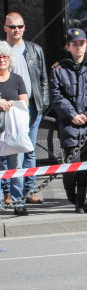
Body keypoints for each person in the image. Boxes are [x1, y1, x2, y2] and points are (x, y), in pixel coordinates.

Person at [50, 29, 87, 213]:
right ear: (68, 46)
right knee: (71, 163)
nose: (78, 47)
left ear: (86, 45)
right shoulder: (59, 69)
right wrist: (72, 115)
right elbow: (56, 97)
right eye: (74, 44)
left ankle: (80, 202)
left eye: (81, 43)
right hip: (70, 124)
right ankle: (71, 195)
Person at [1, 13, 48, 207]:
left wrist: (43, 105)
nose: (16, 30)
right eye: (12, 27)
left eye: (19, 26)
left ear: (24, 27)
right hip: (6, 111)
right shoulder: (2, 50)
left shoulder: (34, 50)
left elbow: (44, 80)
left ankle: (29, 191)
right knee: (6, 152)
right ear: (5, 28)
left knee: (29, 151)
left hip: (31, 108)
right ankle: (8, 194)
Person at [0, 41, 30, 216]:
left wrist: (11, 103)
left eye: (5, 56)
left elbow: (25, 102)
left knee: (16, 167)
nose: (2, 59)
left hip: (13, 131)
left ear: (10, 58)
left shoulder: (17, 79)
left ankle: (19, 202)